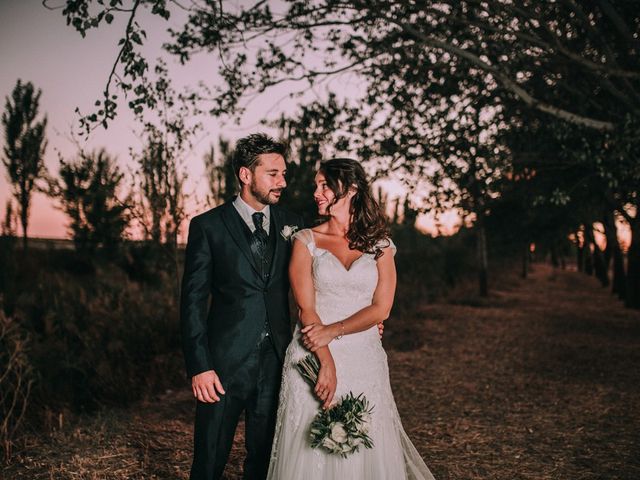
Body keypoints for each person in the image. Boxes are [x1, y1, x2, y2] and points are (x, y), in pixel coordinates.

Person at [267, 158, 436, 479]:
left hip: (364, 356)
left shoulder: (381, 246)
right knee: (311, 448)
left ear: (352, 189)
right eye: (316, 185)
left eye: (324, 185)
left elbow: (381, 309)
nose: (316, 192)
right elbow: (306, 309)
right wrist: (326, 361)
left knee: (365, 444)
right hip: (312, 353)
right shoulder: (305, 240)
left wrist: (335, 331)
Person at [180, 133, 303, 479]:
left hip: (277, 361)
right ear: (246, 175)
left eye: (283, 173)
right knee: (209, 459)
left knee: (264, 460)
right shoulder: (207, 226)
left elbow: (318, 280)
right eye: (273, 173)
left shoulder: (293, 224)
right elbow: (191, 301)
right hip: (222, 366)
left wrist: (362, 319)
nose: (283, 181)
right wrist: (199, 365)